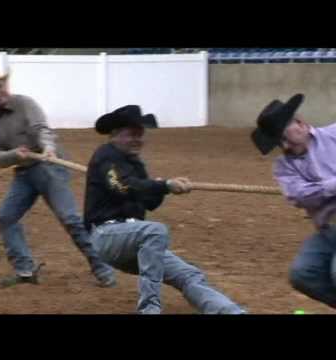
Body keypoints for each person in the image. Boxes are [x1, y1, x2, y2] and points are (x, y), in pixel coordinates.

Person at [84, 105, 247, 314]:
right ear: (115, 134)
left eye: (140, 134)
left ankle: (231, 312)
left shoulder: (134, 163)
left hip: (132, 239)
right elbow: (123, 186)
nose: (137, 139)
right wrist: (164, 185)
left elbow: (149, 203)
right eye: (132, 134)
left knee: (188, 274)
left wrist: (162, 189)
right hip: (106, 236)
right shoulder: (105, 156)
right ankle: (149, 310)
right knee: (155, 231)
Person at [0, 67, 115, 286]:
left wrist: (48, 147)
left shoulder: (25, 103)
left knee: (70, 219)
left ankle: (102, 268)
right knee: (5, 217)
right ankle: (25, 270)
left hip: (48, 167)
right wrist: (13, 155)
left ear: (5, 85)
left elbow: (42, 129)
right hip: (24, 172)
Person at [251, 93, 336, 308]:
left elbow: (308, 193)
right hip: (329, 229)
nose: (285, 145)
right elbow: (300, 195)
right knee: (302, 274)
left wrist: (322, 189)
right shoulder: (284, 167)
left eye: (284, 137)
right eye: (279, 142)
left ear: (301, 124)